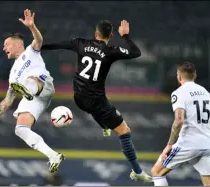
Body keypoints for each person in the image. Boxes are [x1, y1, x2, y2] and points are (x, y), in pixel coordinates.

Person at [41, 20, 152, 182]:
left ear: (95, 34)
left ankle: (105, 125)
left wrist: (36, 48)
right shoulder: (110, 51)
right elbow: (136, 53)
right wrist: (126, 36)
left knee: (97, 107)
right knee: (125, 131)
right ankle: (137, 171)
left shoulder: (80, 43)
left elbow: (56, 45)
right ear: (111, 36)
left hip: (78, 98)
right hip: (96, 102)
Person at [0, 9, 64, 173]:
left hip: (43, 85)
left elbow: (39, 40)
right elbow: (8, 100)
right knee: (20, 130)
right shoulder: (12, 75)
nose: (4, 48)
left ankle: (27, 89)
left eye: (6, 45)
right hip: (36, 100)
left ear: (18, 44)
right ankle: (53, 155)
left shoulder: (30, 52)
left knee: (29, 80)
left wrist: (32, 27)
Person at [151, 62, 210, 186]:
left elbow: (179, 120)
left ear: (178, 77)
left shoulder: (179, 93)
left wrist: (169, 145)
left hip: (188, 143)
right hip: (207, 143)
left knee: (156, 172)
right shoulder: (206, 93)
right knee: (208, 182)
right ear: (195, 75)